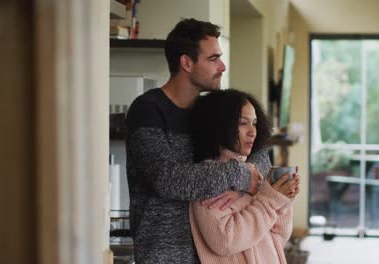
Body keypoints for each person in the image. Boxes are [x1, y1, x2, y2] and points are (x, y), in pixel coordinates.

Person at [125, 18, 264, 263]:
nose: (222, 66)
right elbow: (168, 179)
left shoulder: (214, 110)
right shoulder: (148, 110)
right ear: (186, 63)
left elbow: (259, 156)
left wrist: (249, 181)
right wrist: (240, 176)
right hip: (166, 256)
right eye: (213, 59)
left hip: (216, 254)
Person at [189, 89, 300, 264]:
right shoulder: (208, 179)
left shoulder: (252, 174)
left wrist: (284, 200)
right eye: (242, 123)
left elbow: (279, 235)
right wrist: (269, 201)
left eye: (255, 124)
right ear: (219, 125)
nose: (252, 132)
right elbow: (225, 241)